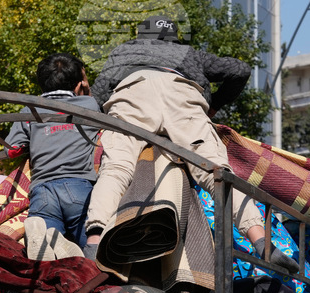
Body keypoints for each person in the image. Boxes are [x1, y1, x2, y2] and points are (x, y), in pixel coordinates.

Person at [83, 15, 298, 274]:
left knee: (117, 169)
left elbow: (98, 95)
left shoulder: (125, 51)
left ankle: (94, 241)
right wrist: (214, 105)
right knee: (217, 173)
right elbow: (239, 70)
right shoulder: (189, 53)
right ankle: (261, 240)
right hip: (182, 96)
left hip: (134, 93)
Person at [6, 53, 100, 249]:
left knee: (46, 244)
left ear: (41, 84)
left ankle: (47, 241)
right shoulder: (89, 105)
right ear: (78, 85)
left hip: (43, 190)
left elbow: (12, 150)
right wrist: (86, 91)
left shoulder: (29, 110)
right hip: (79, 187)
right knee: (92, 245)